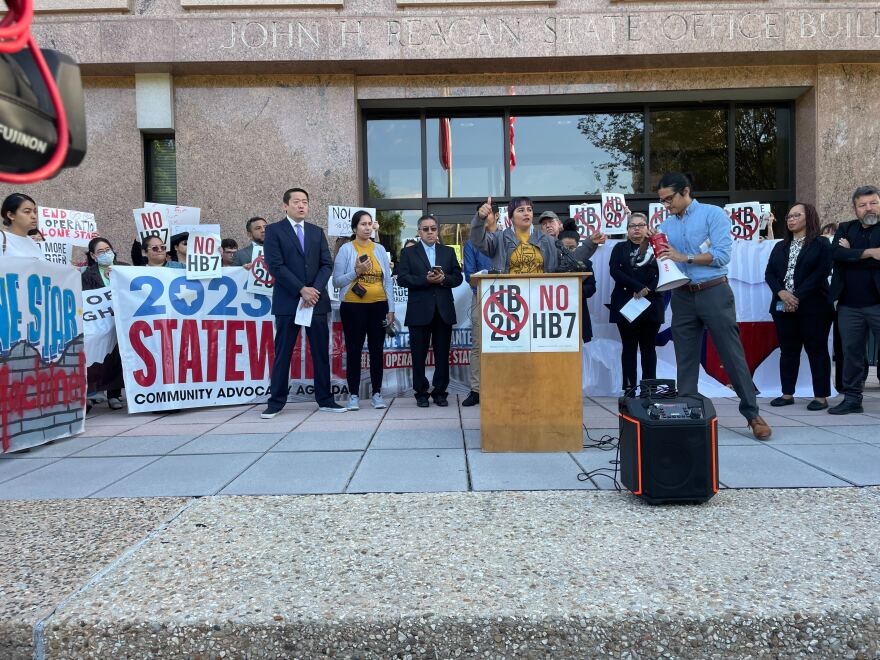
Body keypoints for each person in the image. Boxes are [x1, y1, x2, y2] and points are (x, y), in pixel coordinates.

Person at [653, 172, 772, 439]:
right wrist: (655, 248)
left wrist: (685, 256)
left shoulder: (713, 215)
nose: (666, 205)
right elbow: (668, 260)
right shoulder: (666, 226)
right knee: (685, 357)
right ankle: (687, 413)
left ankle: (752, 414)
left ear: (686, 191)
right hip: (682, 295)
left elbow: (721, 255)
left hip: (714, 291)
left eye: (669, 199)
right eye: (662, 201)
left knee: (731, 354)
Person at [262, 187, 344, 417]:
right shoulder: (274, 231)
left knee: (320, 352)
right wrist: (301, 289)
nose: (301, 205)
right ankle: (276, 402)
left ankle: (326, 400)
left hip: (316, 301)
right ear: (285, 205)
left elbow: (327, 264)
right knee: (283, 353)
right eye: (296, 201)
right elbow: (275, 265)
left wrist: (314, 290)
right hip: (289, 301)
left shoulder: (317, 232)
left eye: (305, 202)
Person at [764, 203, 833, 411]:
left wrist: (796, 297)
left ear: (808, 218)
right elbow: (769, 274)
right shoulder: (780, 246)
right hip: (782, 305)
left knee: (816, 349)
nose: (791, 219)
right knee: (788, 351)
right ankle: (787, 394)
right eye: (789, 216)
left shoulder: (821, 244)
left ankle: (820, 396)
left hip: (815, 306)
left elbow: (821, 273)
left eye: (796, 215)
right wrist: (782, 293)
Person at [397, 214, 463, 407]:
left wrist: (443, 279)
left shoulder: (448, 252)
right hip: (419, 311)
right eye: (425, 229)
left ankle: (440, 391)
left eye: (433, 228)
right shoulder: (409, 253)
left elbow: (457, 278)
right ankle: (421, 392)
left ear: (437, 230)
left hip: (443, 310)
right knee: (418, 355)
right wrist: (425, 280)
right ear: (419, 232)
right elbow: (402, 279)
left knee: (443, 354)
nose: (430, 232)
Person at [332, 210, 395, 410]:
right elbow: (336, 281)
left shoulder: (379, 249)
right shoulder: (346, 250)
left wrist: (391, 308)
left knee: (377, 350)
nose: (367, 227)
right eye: (362, 224)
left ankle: (377, 393)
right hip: (353, 307)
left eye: (369, 224)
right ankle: (353, 395)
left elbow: (388, 282)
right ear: (354, 228)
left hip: (379, 305)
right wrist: (356, 272)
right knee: (354, 350)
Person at [827, 185, 880, 415]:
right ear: (855, 208)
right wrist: (870, 252)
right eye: (863, 204)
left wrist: (853, 253)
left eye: (873, 203)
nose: (869, 208)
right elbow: (836, 255)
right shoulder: (845, 228)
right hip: (849, 305)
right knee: (851, 354)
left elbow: (847, 256)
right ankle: (852, 399)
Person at [471, 197, 598, 274]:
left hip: (541, 302)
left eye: (529, 210)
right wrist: (480, 218)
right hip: (508, 300)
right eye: (521, 210)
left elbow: (570, 262)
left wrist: (590, 243)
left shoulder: (549, 241)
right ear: (511, 217)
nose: (526, 213)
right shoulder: (498, 239)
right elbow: (478, 240)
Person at [609, 212, 664, 391]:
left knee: (648, 348)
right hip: (627, 303)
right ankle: (629, 388)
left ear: (647, 227)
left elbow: (665, 269)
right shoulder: (619, 248)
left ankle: (650, 389)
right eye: (633, 226)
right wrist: (637, 286)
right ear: (627, 230)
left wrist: (648, 288)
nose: (637, 229)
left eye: (641, 225)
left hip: (651, 303)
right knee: (629, 347)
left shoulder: (657, 246)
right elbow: (615, 271)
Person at [82, 237, 128, 410]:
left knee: (120, 356)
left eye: (108, 249)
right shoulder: (88, 275)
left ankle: (115, 395)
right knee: (106, 356)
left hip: (123, 320)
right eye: (100, 252)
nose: (106, 254)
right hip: (102, 322)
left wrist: (116, 278)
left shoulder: (124, 268)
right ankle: (95, 391)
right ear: (93, 256)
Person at [462, 204, 496, 407]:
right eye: (480, 214)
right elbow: (469, 274)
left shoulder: (508, 238)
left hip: (510, 299)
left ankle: (502, 386)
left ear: (496, 215)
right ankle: (476, 390)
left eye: (488, 212)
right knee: (478, 345)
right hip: (481, 297)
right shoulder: (471, 243)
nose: (484, 216)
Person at [558, 223, 597, 343]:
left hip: (579, 311)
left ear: (578, 247)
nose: (569, 251)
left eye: (572, 248)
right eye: (565, 248)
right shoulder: (551, 263)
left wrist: (575, 289)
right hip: (556, 315)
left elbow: (591, 288)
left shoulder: (586, 264)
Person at [1, 193, 43, 258]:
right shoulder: (2, 239)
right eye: (27, 212)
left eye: (35, 212)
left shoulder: (33, 243)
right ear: (11, 215)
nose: (34, 216)